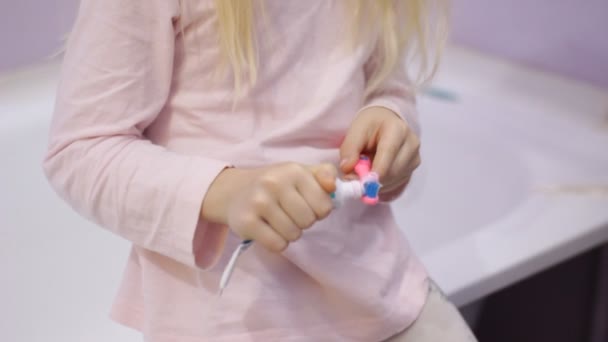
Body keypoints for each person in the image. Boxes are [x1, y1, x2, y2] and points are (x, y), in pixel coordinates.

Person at [43, 0, 476, 340]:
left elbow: (386, 80)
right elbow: (81, 150)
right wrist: (226, 191)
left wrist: (390, 116)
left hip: (380, 289)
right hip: (227, 318)